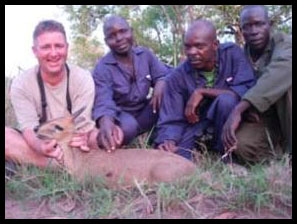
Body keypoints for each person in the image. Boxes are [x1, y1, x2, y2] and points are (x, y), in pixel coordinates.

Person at [155, 19, 255, 160]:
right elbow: (171, 118)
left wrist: (202, 92)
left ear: (215, 45)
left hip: (231, 123)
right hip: (197, 128)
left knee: (226, 101)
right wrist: (168, 140)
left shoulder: (232, 54)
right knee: (176, 158)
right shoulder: (177, 77)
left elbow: (246, 90)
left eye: (199, 46)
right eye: (187, 47)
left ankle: (227, 159)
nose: (192, 52)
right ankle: (202, 151)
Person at [5, 20, 100, 168]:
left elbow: (82, 126)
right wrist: (41, 147)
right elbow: (29, 129)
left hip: (71, 139)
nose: (54, 53)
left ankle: (43, 163)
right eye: (46, 47)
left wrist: (81, 138)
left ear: (67, 48)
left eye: (59, 46)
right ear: (35, 51)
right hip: (42, 140)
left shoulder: (82, 78)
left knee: (96, 138)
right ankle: (61, 166)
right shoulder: (21, 84)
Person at [222, 5, 292, 163]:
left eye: (259, 24)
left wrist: (239, 109)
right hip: (264, 118)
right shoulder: (239, 56)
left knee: (287, 85)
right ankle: (280, 158)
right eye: (247, 26)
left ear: (270, 25)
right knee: (238, 145)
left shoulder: (284, 43)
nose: (254, 31)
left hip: (287, 109)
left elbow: (280, 71)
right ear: (241, 30)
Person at [92, 15, 169, 152]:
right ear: (106, 41)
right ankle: (126, 141)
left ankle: (162, 140)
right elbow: (104, 101)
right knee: (128, 128)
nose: (119, 38)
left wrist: (161, 82)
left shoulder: (145, 55)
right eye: (112, 36)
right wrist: (106, 122)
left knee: (168, 95)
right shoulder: (102, 68)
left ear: (131, 31)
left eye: (123, 31)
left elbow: (163, 74)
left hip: (145, 111)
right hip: (120, 116)